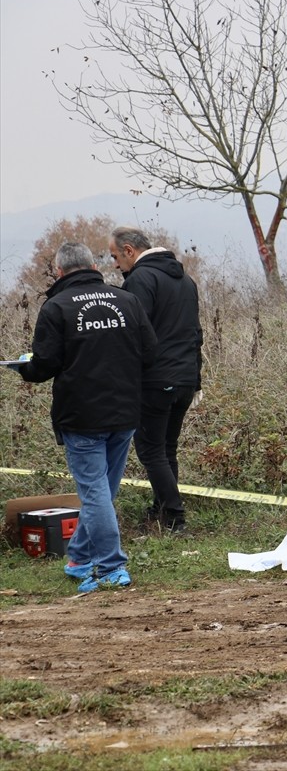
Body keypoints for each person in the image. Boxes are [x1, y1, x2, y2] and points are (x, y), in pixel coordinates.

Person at [13, 242, 157, 592]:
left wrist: (24, 367)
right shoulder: (126, 300)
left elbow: (43, 365)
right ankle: (79, 558)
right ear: (94, 265)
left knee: (95, 494)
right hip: (125, 412)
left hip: (81, 416)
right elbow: (150, 352)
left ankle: (110, 567)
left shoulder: (56, 306)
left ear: (60, 272)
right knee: (103, 491)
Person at [109, 227, 203, 533]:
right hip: (185, 380)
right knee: (167, 450)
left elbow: (135, 333)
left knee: (151, 451)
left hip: (155, 380)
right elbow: (196, 334)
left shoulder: (140, 279)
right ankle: (162, 509)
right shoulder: (186, 281)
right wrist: (195, 379)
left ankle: (175, 519)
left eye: (114, 256)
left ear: (129, 250)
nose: (114, 264)